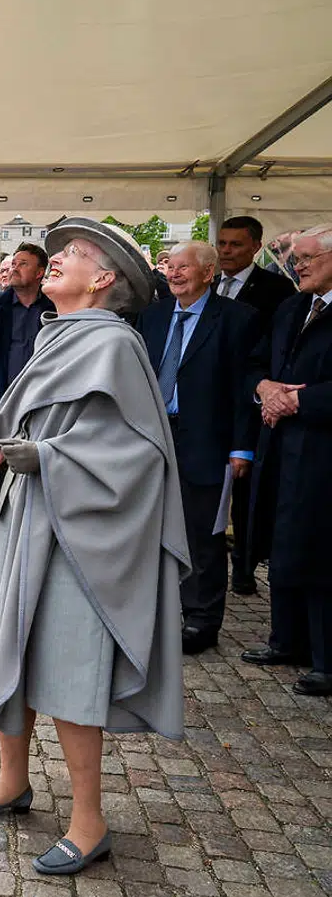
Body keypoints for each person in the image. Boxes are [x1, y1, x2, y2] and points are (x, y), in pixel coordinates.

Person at [0, 217, 184, 876]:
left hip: (78, 530)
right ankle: (10, 783)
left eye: (74, 254)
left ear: (105, 278)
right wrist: (6, 452)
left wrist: (32, 455)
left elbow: (136, 453)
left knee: (71, 667)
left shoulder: (111, 345)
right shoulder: (62, 335)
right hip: (33, 512)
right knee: (13, 646)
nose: (55, 260)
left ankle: (90, 823)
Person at [135, 241, 258, 655]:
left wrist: (242, 447)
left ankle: (202, 619)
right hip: (153, 437)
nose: (173, 273)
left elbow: (245, 388)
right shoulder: (150, 318)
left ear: (209, 273)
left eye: (184, 267)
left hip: (207, 439)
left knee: (202, 535)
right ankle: (160, 611)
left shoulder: (238, 320)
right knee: (150, 528)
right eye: (170, 266)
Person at [242, 223, 332, 696]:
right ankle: (286, 640)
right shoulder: (291, 307)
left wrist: (300, 401)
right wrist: (266, 389)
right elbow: (255, 363)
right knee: (283, 541)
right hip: (279, 447)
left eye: (307, 259)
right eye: (295, 259)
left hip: (322, 451)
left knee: (320, 550)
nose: (296, 266)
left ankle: (326, 659)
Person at [214, 215, 297, 595]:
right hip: (211, 398)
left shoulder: (277, 290)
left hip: (252, 399)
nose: (226, 251)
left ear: (255, 247)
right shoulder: (208, 281)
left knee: (246, 488)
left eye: (234, 245)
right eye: (222, 243)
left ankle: (245, 565)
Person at [0, 242, 55, 426]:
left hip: (40, 402)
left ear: (40, 273)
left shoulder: (54, 309)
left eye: (23, 264)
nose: (14, 269)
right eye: (13, 264)